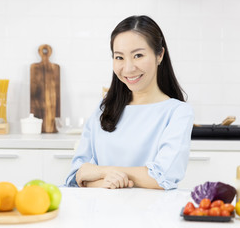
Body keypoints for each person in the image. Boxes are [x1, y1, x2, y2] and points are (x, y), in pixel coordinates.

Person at [65, 15, 194, 190]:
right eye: (119, 57)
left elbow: (163, 176)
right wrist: (104, 180)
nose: (128, 68)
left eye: (138, 55)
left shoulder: (178, 112)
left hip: (152, 213)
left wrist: (102, 171)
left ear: (159, 55)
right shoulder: (104, 108)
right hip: (98, 211)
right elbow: (77, 175)